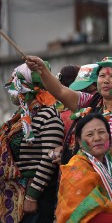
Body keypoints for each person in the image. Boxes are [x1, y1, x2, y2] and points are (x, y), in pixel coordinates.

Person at [26, 56, 112, 163]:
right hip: (81, 177)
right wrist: (42, 70)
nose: (105, 81)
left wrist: (101, 149)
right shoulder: (89, 102)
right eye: (102, 76)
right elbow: (60, 91)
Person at [0, 63, 64, 223]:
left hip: (35, 196)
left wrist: (32, 195)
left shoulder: (48, 114)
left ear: (30, 86)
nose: (12, 89)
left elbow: (49, 157)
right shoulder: (21, 116)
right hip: (14, 196)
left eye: (15, 83)